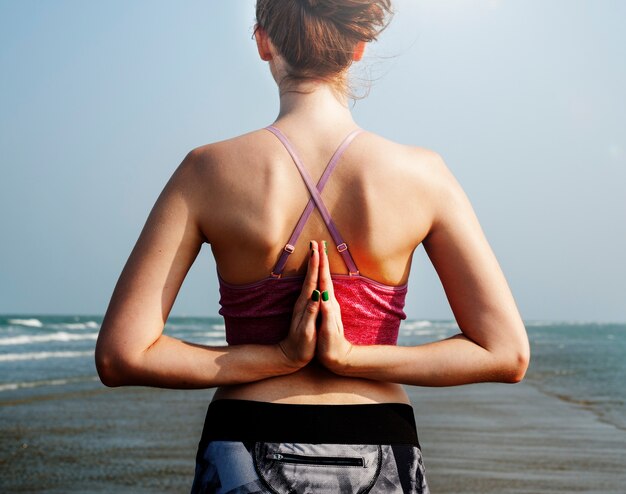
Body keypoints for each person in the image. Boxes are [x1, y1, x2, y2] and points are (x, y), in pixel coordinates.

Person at [95, 0, 530, 492]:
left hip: (243, 437)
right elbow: (505, 353)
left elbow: (121, 356)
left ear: (263, 42)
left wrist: (278, 357)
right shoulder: (423, 175)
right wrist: (348, 357)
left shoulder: (206, 171)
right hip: (380, 436)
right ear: (359, 47)